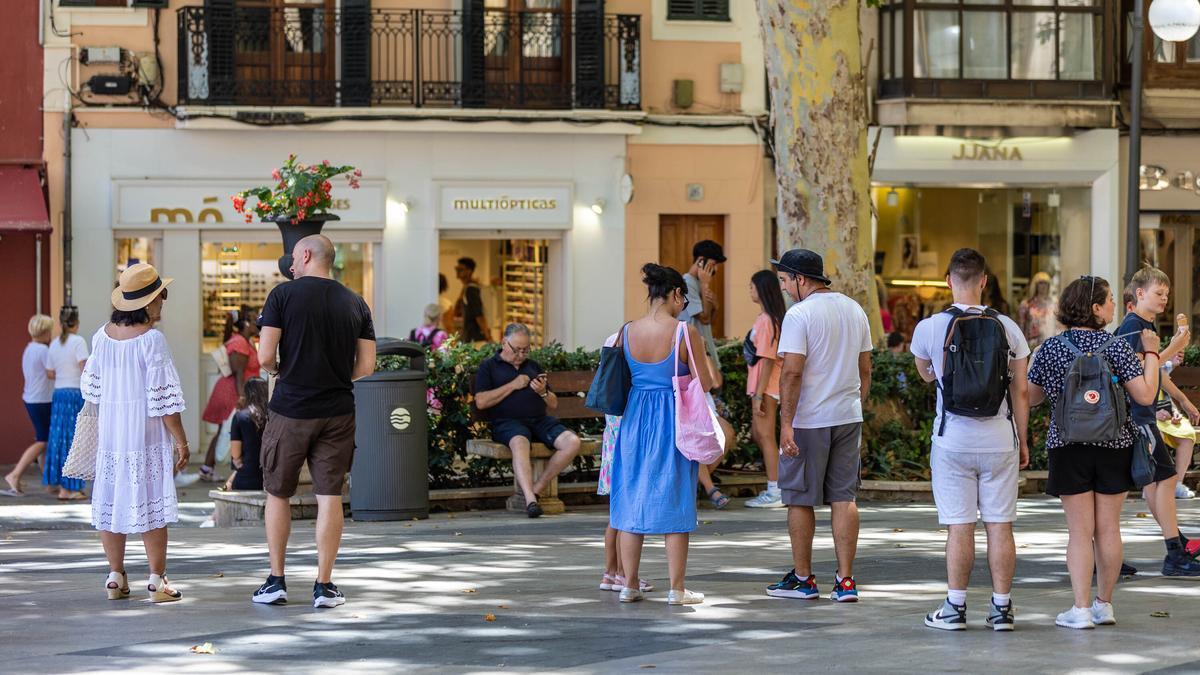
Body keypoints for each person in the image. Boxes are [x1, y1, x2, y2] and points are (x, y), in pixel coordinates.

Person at [1028, 275, 1173, 629]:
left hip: (1068, 445)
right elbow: (1144, 395)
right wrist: (1152, 352)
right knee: (1108, 529)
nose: (1113, 305)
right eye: (1109, 300)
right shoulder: (1118, 347)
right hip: (1115, 445)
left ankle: (1079, 610)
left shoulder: (1053, 347)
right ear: (1094, 308)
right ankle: (1103, 605)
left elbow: (1030, 398)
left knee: (1080, 532)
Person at [910, 249, 1031, 632]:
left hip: (952, 441)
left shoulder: (929, 328)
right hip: (1000, 440)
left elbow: (926, 376)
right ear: (984, 281)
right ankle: (1001, 609)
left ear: (948, 280)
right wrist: (1022, 441)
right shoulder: (1009, 327)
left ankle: (955, 606)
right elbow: (1021, 392)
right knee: (1000, 525)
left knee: (959, 526)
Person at [254, 234, 376, 609]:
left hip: (290, 409)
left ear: (305, 255)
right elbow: (367, 366)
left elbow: (264, 356)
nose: (291, 263)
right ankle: (324, 586)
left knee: (278, 492)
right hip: (338, 411)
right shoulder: (356, 302)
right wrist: (334, 377)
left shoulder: (282, 296)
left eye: (294, 257)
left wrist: (282, 370)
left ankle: (276, 581)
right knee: (330, 496)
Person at [767, 249, 872, 603]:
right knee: (844, 497)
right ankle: (845, 582)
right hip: (848, 416)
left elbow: (792, 371)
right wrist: (856, 404)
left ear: (800, 279)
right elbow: (866, 368)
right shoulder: (854, 309)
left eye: (784, 280)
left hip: (809, 420)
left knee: (799, 498)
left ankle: (803, 578)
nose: (783, 288)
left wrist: (786, 424)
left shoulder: (800, 315)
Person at [84, 262, 189, 602]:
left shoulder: (100, 337)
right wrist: (181, 440)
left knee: (112, 499)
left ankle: (115, 575)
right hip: (146, 432)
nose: (163, 302)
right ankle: (157, 580)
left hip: (112, 432)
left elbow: (93, 391)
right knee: (151, 503)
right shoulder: (152, 340)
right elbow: (165, 399)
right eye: (162, 296)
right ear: (148, 302)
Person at [610, 263, 708, 605]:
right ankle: (677, 589)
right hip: (673, 420)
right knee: (677, 498)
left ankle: (629, 584)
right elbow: (704, 382)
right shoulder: (684, 332)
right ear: (677, 294)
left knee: (630, 500)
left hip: (635, 420)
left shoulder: (627, 331)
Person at [1117, 267, 1200, 576]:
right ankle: (1174, 550)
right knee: (1161, 479)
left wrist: (1181, 398)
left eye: (1166, 294)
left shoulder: (1142, 325)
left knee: (1157, 482)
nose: (1165, 299)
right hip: (1138, 418)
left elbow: (1152, 371)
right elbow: (1136, 372)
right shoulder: (1133, 327)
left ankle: (1175, 544)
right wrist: (1172, 349)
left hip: (1143, 416)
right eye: (1158, 293)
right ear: (1139, 294)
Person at [475, 323, 583, 518]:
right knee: (519, 442)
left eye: (525, 350)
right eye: (517, 349)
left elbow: (554, 403)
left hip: (539, 420)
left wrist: (543, 392)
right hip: (507, 422)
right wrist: (513, 385)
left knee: (572, 442)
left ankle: (536, 491)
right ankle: (531, 501)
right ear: (503, 343)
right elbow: (481, 402)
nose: (521, 354)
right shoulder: (489, 367)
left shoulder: (533, 366)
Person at [596, 333, 652, 595]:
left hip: (611, 453)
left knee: (615, 517)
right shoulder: (630, 390)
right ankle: (623, 574)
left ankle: (610, 572)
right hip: (625, 455)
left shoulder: (610, 385)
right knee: (624, 517)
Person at [681, 240, 735, 508]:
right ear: (701, 261)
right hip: (693, 369)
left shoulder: (700, 286)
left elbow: (708, 319)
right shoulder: (686, 284)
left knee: (723, 434)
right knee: (702, 433)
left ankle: (695, 485)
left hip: (706, 364)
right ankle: (707, 487)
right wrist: (704, 288)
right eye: (711, 265)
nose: (713, 271)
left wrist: (709, 299)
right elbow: (700, 317)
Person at [198, 308, 261, 483]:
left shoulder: (244, 341)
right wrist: (242, 397)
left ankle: (207, 468)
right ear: (247, 323)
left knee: (223, 431)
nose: (259, 323)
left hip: (233, 390)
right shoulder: (240, 343)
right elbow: (239, 373)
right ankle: (230, 468)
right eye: (256, 320)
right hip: (232, 392)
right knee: (227, 431)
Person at [745, 270, 787, 509]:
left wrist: (759, 394)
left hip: (767, 387)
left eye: (751, 286)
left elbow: (768, 358)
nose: (749, 290)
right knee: (760, 434)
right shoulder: (769, 318)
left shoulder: (767, 320)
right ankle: (776, 485)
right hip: (765, 386)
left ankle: (775, 489)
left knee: (766, 436)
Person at [3, 315, 56, 497]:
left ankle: (48, 482)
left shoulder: (30, 348)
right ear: (45, 332)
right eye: (50, 330)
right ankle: (14, 474)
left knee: (44, 440)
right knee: (42, 441)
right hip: (42, 400)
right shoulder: (43, 350)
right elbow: (51, 374)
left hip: (33, 399)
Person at [45, 306, 89, 501]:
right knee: (75, 439)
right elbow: (84, 368)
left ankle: (63, 488)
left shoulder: (54, 343)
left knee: (58, 439)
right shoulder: (78, 341)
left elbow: (50, 373)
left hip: (59, 394)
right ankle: (72, 487)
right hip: (74, 394)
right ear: (76, 324)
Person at [1156, 352, 1197, 501]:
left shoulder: (1162, 370)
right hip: (1145, 416)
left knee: (1187, 435)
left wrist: (1175, 412)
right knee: (1155, 434)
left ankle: (1176, 484)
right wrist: (1153, 414)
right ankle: (1154, 484)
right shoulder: (1140, 365)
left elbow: (1166, 395)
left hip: (1166, 417)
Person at [221, 377, 269, 492]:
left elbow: (236, 454)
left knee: (228, 485)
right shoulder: (273, 415)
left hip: (248, 478)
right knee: (229, 483)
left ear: (247, 394)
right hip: (271, 477)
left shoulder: (240, 417)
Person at [454, 257, 490, 343]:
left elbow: (478, 314)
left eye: (460, 270)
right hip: (470, 335)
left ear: (469, 271)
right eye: (456, 270)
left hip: (474, 337)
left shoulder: (471, 289)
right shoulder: (468, 288)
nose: (457, 274)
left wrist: (488, 336)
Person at [1018, 271, 1055, 349]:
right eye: (1041, 283)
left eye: (1046, 283)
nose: (1043, 286)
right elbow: (1021, 326)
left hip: (1050, 344)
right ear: (1035, 285)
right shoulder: (1026, 304)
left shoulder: (1054, 304)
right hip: (1032, 344)